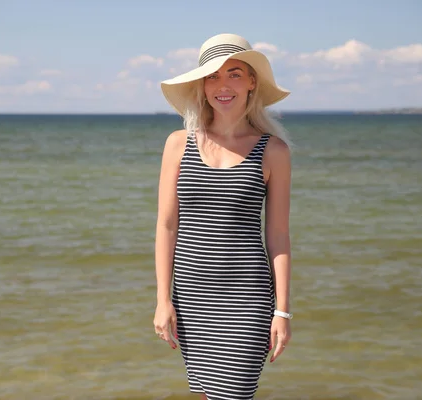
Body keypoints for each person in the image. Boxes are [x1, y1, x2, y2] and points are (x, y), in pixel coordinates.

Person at [153, 33, 293, 400]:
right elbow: (167, 226)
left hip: (247, 298)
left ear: (251, 82)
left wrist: (283, 312)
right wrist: (162, 299)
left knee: (233, 394)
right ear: (202, 86)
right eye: (212, 76)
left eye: (233, 74)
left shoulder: (273, 151)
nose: (222, 85)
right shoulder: (178, 144)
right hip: (191, 296)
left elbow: (278, 237)